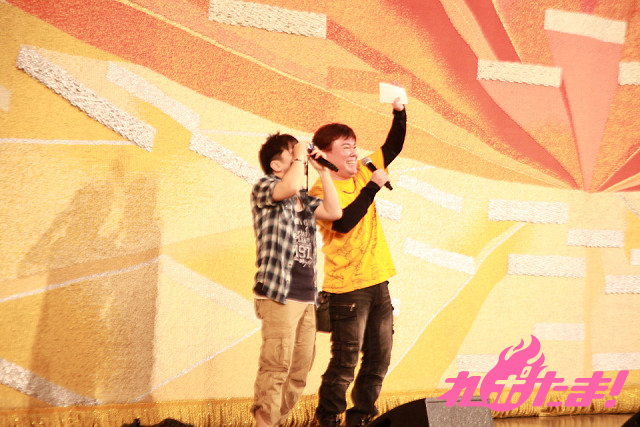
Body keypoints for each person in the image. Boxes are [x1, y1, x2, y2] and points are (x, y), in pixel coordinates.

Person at [309, 98, 406, 427]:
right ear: (325, 155)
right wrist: (372, 189)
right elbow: (344, 222)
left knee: (379, 359)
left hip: (378, 282)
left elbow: (393, 146)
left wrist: (399, 111)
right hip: (347, 290)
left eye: (354, 146)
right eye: (345, 147)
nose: (354, 153)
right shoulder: (318, 192)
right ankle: (328, 419)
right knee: (345, 364)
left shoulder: (364, 170)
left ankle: (361, 418)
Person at [251, 133, 342, 427]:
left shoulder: (304, 199)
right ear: (276, 165)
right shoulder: (265, 187)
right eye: (292, 155)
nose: (300, 159)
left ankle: (275, 421)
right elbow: (289, 185)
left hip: (306, 297)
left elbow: (335, 212)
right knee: (276, 365)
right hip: (279, 294)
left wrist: (324, 172)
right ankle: (265, 422)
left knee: (300, 370)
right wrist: (300, 152)